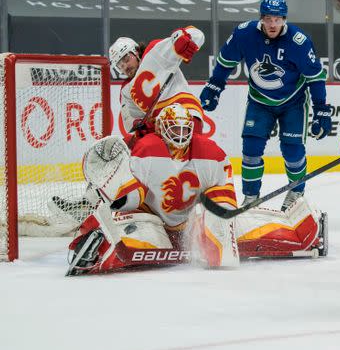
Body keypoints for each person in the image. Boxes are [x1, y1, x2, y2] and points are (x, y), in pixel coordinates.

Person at [50, 27, 206, 227]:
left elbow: (195, 34)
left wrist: (187, 39)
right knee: (121, 153)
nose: (124, 66)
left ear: (136, 52)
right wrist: (140, 127)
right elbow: (130, 123)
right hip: (161, 131)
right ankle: (95, 202)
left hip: (185, 122)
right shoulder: (126, 91)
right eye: (120, 64)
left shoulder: (154, 53)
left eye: (126, 59)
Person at [67, 104, 239, 274]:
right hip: (154, 222)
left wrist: (222, 218)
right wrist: (119, 200)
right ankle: (100, 241)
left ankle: (219, 241)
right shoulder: (148, 148)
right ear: (161, 128)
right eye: (174, 129)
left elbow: (223, 191)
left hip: (190, 225)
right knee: (136, 229)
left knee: (222, 225)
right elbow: (136, 189)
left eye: (184, 130)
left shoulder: (211, 153)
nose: (180, 136)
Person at [199, 0, 332, 211]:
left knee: (292, 150)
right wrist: (215, 85)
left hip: (293, 101)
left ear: (284, 19)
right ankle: (251, 198)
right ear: (261, 18)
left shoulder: (299, 41)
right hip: (259, 101)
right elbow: (225, 61)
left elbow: (315, 77)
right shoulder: (245, 33)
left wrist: (321, 110)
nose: (272, 24)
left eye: (277, 19)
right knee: (250, 149)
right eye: (268, 18)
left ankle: (296, 193)